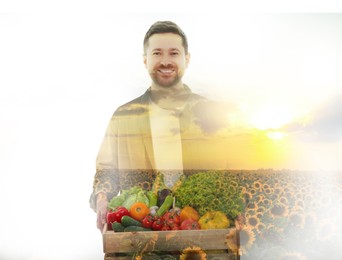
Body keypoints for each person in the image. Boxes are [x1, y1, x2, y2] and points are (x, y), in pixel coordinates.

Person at [90, 21, 241, 231]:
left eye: (174, 53)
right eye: (157, 53)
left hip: (201, 228)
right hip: (143, 227)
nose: (165, 61)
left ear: (186, 59)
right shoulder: (123, 117)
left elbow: (235, 169)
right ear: (145, 60)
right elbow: (106, 170)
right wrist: (102, 197)